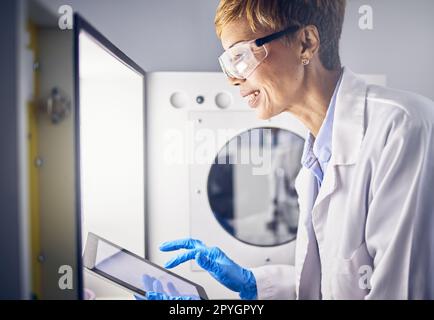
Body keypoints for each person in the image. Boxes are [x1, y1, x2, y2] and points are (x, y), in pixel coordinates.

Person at [145, 0, 434, 299]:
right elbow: (332, 285)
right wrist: (253, 285)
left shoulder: (402, 128)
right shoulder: (316, 160)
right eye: (228, 62)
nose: (233, 78)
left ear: (305, 44)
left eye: (241, 56)